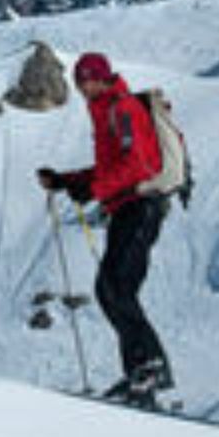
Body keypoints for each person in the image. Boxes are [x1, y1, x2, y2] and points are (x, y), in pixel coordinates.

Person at [37, 52, 173, 406]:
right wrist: (66, 181)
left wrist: (92, 190)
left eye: (87, 79)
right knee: (111, 288)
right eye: (78, 80)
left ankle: (150, 369)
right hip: (125, 207)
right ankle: (141, 373)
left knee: (116, 288)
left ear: (102, 77)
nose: (82, 86)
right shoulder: (104, 110)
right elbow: (108, 169)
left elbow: (136, 164)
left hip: (141, 205)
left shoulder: (121, 108)